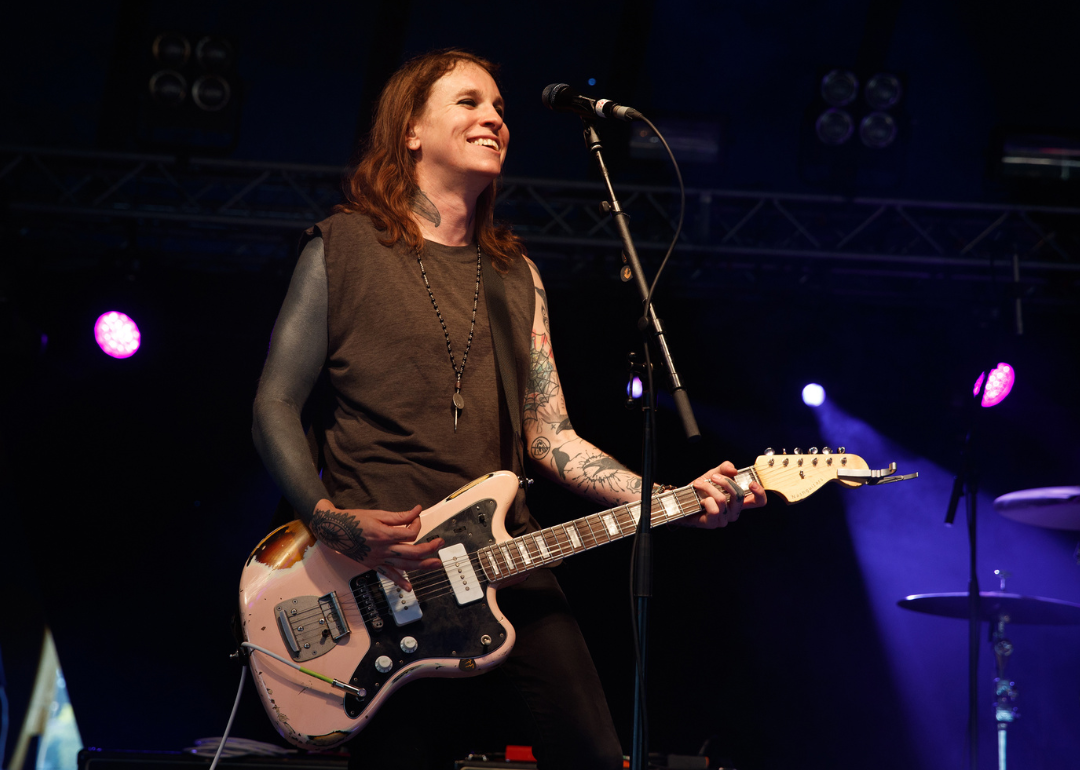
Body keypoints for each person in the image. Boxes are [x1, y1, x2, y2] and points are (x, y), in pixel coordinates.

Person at [252, 48, 766, 770]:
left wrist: (669, 499)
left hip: (501, 556)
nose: (495, 118)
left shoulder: (514, 275)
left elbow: (550, 436)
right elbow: (274, 403)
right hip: (380, 572)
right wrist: (331, 522)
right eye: (469, 102)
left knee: (591, 751)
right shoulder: (343, 247)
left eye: (499, 108)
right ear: (411, 130)